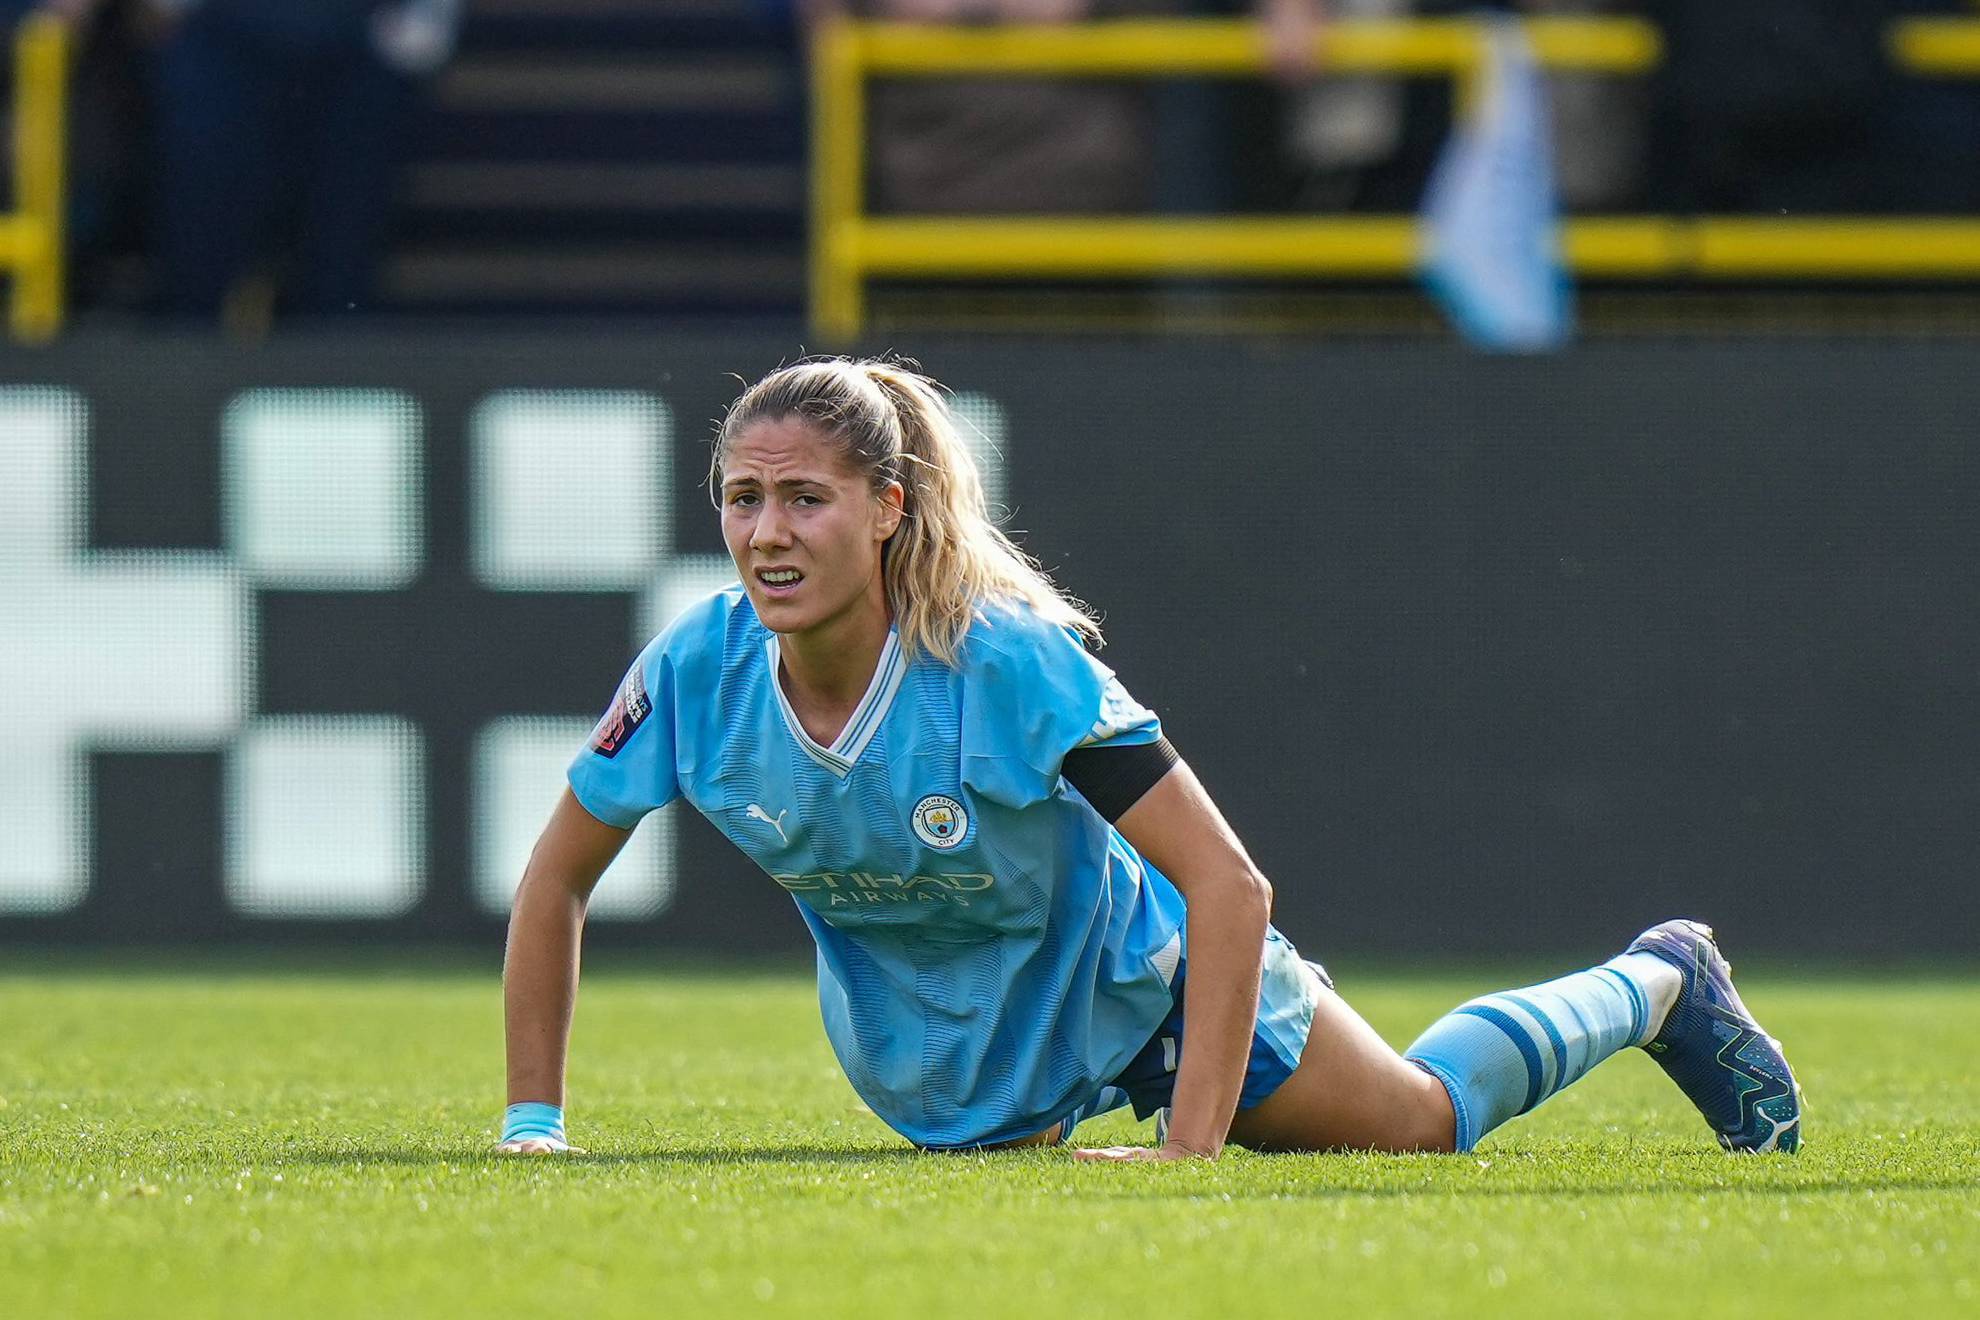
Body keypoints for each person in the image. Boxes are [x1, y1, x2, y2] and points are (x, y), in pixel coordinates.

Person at [497, 357, 1803, 1161]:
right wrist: (535, 1127)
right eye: (741, 498)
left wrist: (1189, 1149)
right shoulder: (692, 672)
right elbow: (553, 882)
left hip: (1156, 982)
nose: (766, 532)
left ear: (888, 510)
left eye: (804, 498)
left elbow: (1229, 886)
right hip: (970, 1066)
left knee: (1421, 1123)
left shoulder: (1005, 664)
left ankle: (1657, 984)